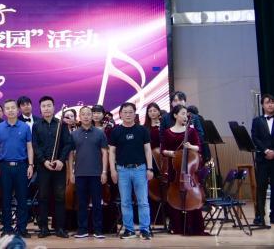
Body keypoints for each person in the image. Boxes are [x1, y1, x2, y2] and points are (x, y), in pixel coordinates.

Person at [0, 99, 34, 238]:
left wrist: (31, 165)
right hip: (4, 167)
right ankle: (7, 228)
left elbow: (29, 147)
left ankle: (22, 228)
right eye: (7, 108)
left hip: (21, 166)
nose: (10, 110)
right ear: (4, 111)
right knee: (6, 199)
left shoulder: (25, 127)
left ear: (17, 110)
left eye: (13, 108)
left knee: (22, 199)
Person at [109, 102, 153, 240]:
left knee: (143, 201)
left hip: (140, 169)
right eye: (125, 112)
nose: (128, 114)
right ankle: (129, 230)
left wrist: (149, 168)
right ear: (120, 114)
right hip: (122, 170)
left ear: (135, 114)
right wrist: (112, 170)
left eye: (130, 112)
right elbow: (111, 152)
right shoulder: (116, 131)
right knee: (125, 202)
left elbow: (148, 150)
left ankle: (145, 230)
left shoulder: (142, 130)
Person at [32, 97, 74, 239]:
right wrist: (44, 161)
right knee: (43, 197)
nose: (46, 108)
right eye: (44, 106)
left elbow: (68, 144)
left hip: (59, 167)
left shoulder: (61, 124)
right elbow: (35, 146)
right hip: (43, 167)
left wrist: (61, 160)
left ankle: (60, 228)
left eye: (49, 105)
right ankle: (43, 228)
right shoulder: (36, 125)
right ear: (40, 109)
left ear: (54, 107)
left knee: (60, 197)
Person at [160, 104, 205, 236]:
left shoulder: (191, 131)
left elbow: (199, 148)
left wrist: (190, 146)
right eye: (182, 114)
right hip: (175, 170)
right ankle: (177, 226)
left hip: (189, 170)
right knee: (174, 196)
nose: (185, 116)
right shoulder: (167, 132)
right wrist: (170, 153)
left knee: (191, 193)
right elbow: (163, 150)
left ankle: (194, 226)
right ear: (175, 115)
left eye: (186, 114)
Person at [69, 105, 108, 239]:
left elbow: (105, 153)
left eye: (88, 114)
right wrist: (71, 173)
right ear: (79, 117)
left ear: (92, 116)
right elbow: (70, 155)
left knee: (97, 203)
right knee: (81, 203)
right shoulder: (74, 134)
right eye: (83, 114)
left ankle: (98, 230)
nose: (86, 116)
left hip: (96, 173)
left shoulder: (100, 133)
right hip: (79, 174)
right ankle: (82, 230)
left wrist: (104, 172)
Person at [251, 94, 274, 226]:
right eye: (267, 102)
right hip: (262, 159)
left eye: (272, 102)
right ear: (262, 105)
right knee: (261, 187)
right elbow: (255, 137)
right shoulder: (257, 120)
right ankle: (259, 215)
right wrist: (266, 150)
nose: (270, 105)